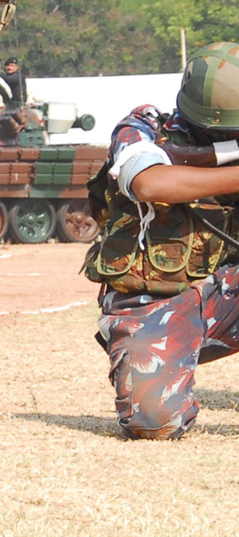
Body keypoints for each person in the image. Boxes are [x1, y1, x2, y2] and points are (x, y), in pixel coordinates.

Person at [85, 41, 239, 439]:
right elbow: (150, 182)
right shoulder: (144, 127)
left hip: (227, 293)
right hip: (154, 302)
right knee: (153, 424)